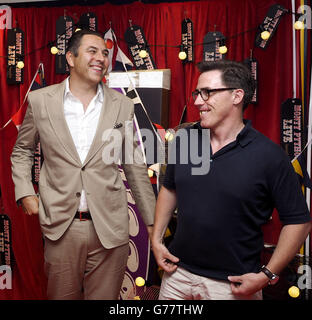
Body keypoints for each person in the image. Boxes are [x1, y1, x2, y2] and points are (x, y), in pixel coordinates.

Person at [11, 29, 155, 300]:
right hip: (61, 228)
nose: (100, 57)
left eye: (104, 53)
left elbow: (134, 165)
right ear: (70, 58)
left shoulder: (122, 105)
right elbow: (21, 151)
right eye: (92, 51)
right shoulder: (41, 101)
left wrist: (152, 221)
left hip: (110, 229)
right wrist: (26, 192)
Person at [152, 60, 311, 300]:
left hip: (231, 286)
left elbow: (299, 221)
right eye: (197, 93)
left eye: (207, 93)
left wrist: (266, 274)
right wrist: (156, 239)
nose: (197, 101)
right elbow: (170, 188)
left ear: (237, 96)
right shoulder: (185, 139)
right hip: (177, 276)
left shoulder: (269, 155)